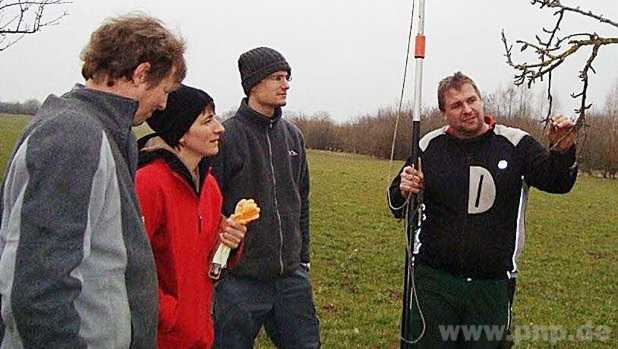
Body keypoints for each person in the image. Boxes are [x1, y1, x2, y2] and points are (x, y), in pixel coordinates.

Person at [0, 15, 186, 348]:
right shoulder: (74, 135)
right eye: (164, 90)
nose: (163, 103)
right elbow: (39, 290)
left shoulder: (108, 133)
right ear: (141, 73)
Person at [388, 71, 578, 348]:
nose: (467, 110)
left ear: (481, 100)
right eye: (456, 105)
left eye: (471, 100)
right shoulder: (429, 147)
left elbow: (558, 182)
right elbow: (396, 204)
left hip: (491, 286)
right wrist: (404, 189)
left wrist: (563, 150)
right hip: (433, 283)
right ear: (444, 113)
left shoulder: (516, 144)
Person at [211, 47, 320, 348]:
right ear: (253, 84)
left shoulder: (293, 136)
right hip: (239, 280)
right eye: (276, 77)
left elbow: (302, 200)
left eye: (287, 78)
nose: (285, 84)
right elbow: (209, 206)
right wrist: (216, 265)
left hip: (291, 279)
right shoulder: (226, 136)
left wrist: (303, 259)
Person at [135, 85, 247, 349]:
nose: (220, 128)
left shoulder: (209, 187)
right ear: (181, 133)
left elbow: (212, 265)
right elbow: (127, 266)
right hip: (161, 338)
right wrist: (168, 315)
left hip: (200, 335)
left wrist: (228, 245)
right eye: (207, 121)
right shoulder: (148, 184)